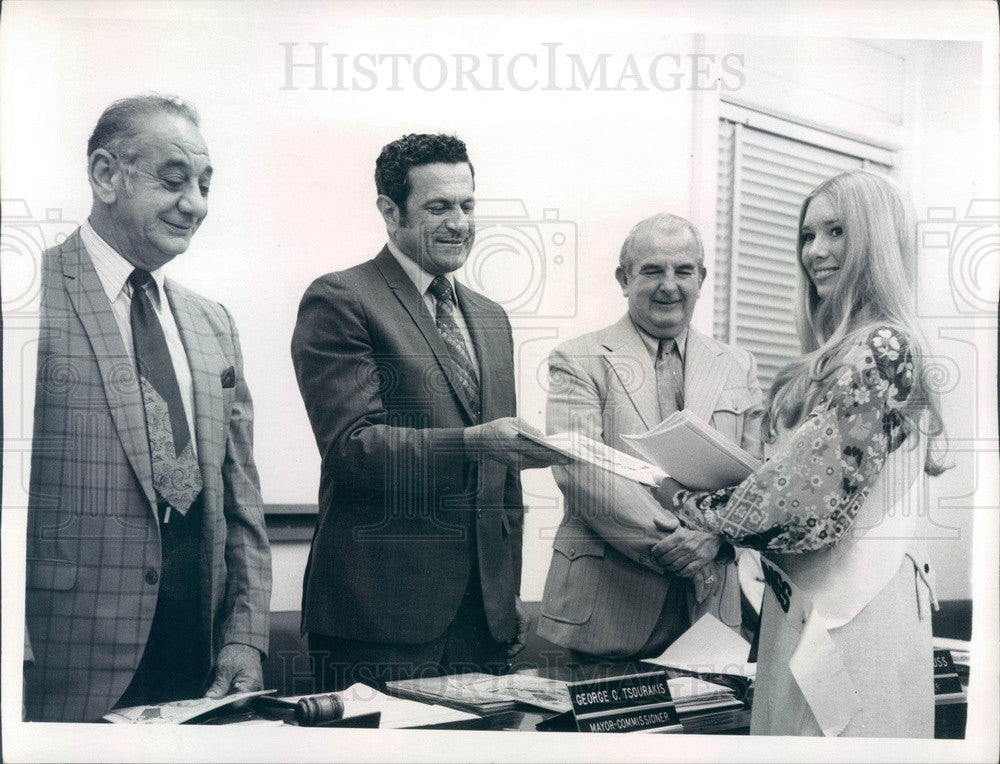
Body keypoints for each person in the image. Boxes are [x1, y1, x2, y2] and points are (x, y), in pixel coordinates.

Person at [650, 170, 947, 737]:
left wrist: (684, 497)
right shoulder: (846, 350)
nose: (816, 252)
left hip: (851, 611)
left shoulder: (882, 345)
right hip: (812, 600)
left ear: (877, 240)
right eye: (808, 235)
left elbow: (805, 501)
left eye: (837, 232)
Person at [23, 95, 272, 722]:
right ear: (106, 175)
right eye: (174, 179)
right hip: (59, 664)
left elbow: (241, 499)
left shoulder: (213, 323)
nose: (195, 203)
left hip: (197, 661)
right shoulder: (24, 296)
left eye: (205, 184)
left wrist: (244, 632)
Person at [290, 133, 563, 691]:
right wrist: (473, 442)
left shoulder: (490, 318)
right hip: (378, 621)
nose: (459, 222)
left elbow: (501, 476)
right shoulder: (341, 298)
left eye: (467, 205)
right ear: (390, 212)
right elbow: (352, 449)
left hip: (482, 621)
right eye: (438, 207)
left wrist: (505, 595)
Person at [536, 213, 763, 662]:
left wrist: (713, 540)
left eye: (683, 271)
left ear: (702, 278)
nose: (669, 286)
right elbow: (581, 472)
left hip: (713, 613)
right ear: (624, 279)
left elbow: (759, 482)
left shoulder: (739, 366)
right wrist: (681, 546)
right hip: (606, 614)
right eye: (652, 270)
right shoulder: (578, 359)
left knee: (710, 731)